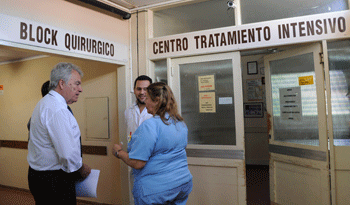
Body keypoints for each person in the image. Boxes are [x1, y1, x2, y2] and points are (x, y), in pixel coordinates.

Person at [113, 82, 193, 205]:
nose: (145, 102)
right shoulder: (179, 122)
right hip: (182, 184)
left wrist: (119, 152)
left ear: (156, 101)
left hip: (155, 190)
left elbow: (138, 162)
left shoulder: (150, 125)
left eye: (148, 99)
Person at [27, 62, 91, 205]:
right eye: (77, 84)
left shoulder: (44, 103)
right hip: (53, 181)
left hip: (39, 177)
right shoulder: (58, 110)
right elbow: (67, 154)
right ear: (62, 83)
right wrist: (81, 168)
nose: (80, 89)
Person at [124, 75, 153, 204]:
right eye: (139, 89)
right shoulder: (128, 111)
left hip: (152, 165)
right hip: (134, 162)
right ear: (134, 90)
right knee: (136, 198)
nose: (142, 92)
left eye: (146, 89)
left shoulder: (157, 112)